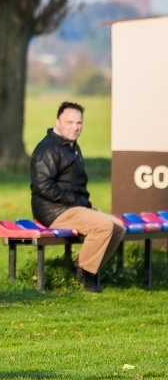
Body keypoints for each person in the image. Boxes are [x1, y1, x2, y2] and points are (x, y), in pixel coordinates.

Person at [30, 101, 125, 292]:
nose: (75, 127)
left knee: (118, 228)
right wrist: (75, 202)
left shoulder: (70, 146)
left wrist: (83, 204)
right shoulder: (48, 148)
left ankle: (89, 267)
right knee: (103, 226)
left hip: (71, 207)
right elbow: (42, 186)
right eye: (69, 122)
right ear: (57, 122)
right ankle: (83, 273)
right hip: (53, 210)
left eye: (79, 123)